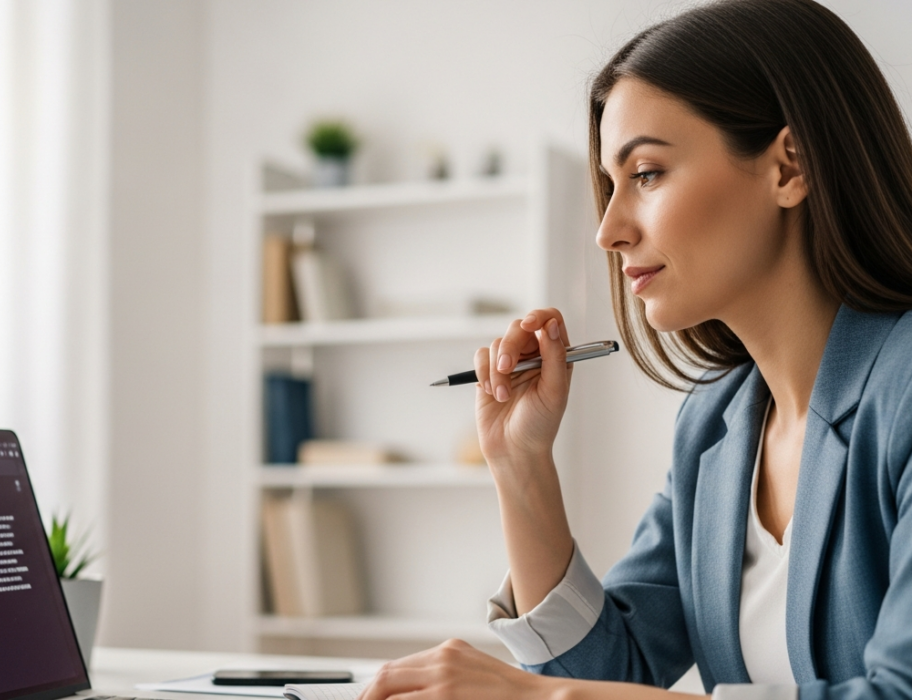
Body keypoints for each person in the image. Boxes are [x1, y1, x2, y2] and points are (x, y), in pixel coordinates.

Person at [357, 0, 912, 699]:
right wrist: (521, 466)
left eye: (646, 173)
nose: (609, 230)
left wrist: (540, 697)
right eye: (609, 185)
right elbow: (609, 677)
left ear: (789, 166)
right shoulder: (715, 424)